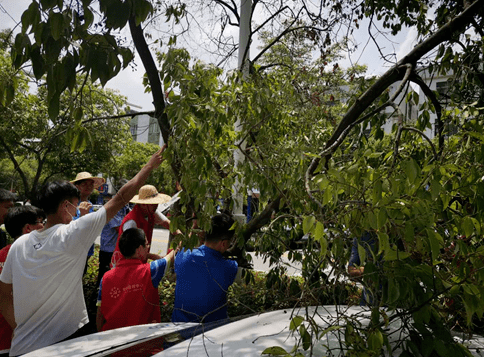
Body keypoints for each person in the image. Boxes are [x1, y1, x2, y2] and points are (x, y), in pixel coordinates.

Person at [0, 145, 166, 356]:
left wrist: (19, 328)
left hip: (22, 347)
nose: (77, 211)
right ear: (65, 206)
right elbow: (121, 198)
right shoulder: (73, 233)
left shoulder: (19, 245)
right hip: (60, 347)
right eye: (76, 206)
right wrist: (150, 166)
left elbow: (4, 295)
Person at [96, 228, 179, 331]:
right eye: (147, 245)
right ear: (139, 249)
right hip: (142, 341)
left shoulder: (105, 278)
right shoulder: (150, 271)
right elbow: (172, 256)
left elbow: (99, 316)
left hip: (111, 340)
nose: (148, 248)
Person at [172, 213, 238, 323]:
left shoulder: (184, 256)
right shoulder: (230, 267)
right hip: (212, 331)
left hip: (180, 330)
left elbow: (184, 245)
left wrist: (194, 227)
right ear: (223, 244)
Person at [0, 206, 45, 357]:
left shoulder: (2, 254)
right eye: (40, 222)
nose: (44, 226)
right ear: (28, 228)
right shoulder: (38, 257)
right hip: (27, 338)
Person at [110, 185, 173, 268]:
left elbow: (168, 224)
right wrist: (155, 257)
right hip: (124, 263)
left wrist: (181, 234)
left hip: (138, 261)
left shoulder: (152, 212)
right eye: (152, 203)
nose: (156, 205)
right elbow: (132, 251)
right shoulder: (131, 222)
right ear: (143, 204)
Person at [71, 172, 106, 274]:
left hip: (86, 249)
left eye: (91, 184)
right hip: (74, 250)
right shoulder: (70, 204)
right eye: (84, 184)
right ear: (77, 186)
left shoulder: (90, 205)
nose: (88, 187)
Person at [96, 202, 130, 288]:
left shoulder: (125, 207)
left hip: (115, 250)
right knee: (104, 279)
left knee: (113, 279)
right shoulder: (114, 208)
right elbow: (120, 229)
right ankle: (97, 299)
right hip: (108, 251)